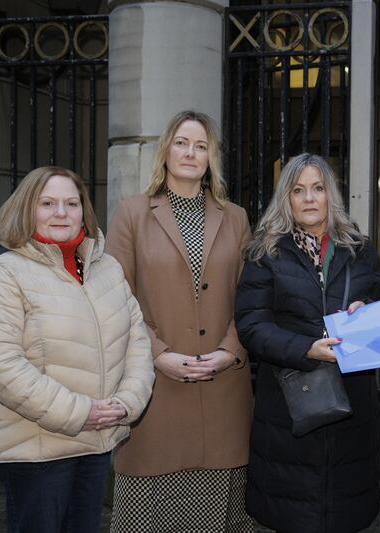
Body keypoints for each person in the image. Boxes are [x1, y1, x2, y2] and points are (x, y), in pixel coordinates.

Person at [0, 166, 154, 532]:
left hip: (97, 443)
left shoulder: (107, 269)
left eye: (71, 203)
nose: (61, 213)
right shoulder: (2, 276)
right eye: (47, 203)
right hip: (37, 450)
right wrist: (80, 412)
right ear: (26, 209)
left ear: (84, 210)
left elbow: (137, 342)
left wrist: (127, 402)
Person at [105, 110, 254, 532]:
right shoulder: (132, 214)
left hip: (223, 388)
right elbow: (117, 298)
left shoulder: (236, 217)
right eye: (182, 143)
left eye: (201, 145)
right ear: (165, 150)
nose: (191, 152)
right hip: (154, 388)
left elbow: (252, 296)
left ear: (212, 158)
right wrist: (157, 354)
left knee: (214, 515)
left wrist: (230, 350)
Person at [234, 153, 380, 533]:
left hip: (352, 406)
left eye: (317, 189)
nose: (309, 198)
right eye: (298, 190)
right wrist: (305, 348)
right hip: (289, 408)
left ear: (330, 195)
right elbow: (251, 326)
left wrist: (366, 308)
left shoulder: (359, 248)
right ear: (285, 198)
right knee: (292, 518)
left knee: (345, 515)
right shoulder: (265, 252)